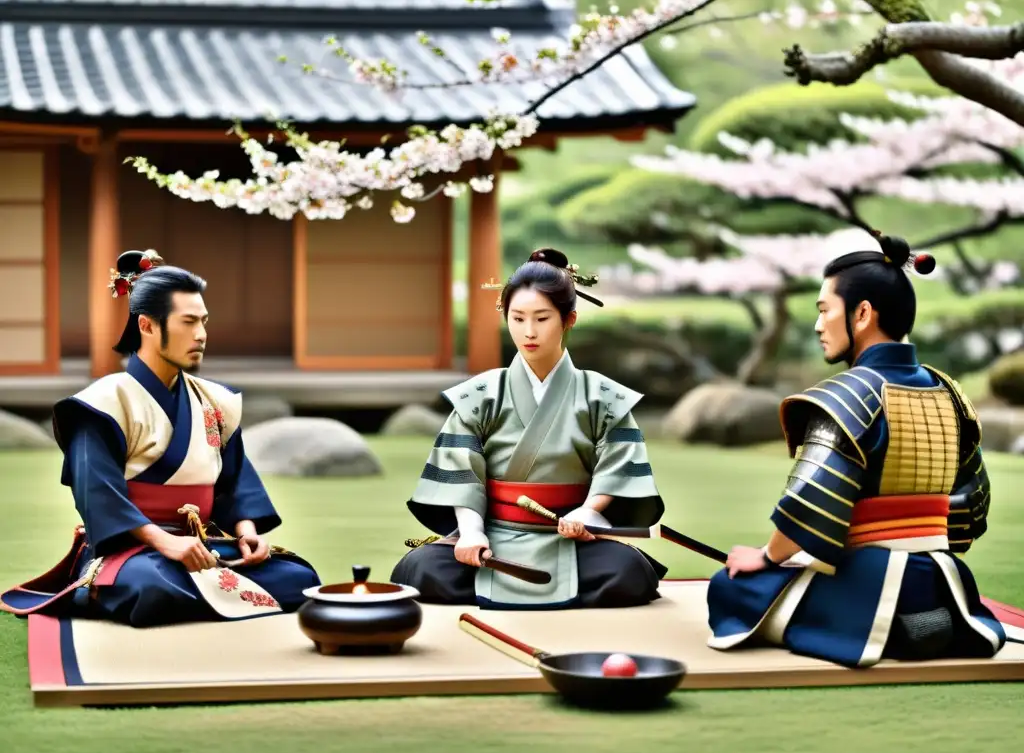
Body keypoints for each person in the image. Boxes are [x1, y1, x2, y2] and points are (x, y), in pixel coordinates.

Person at [705, 233, 1005, 668]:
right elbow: (972, 506)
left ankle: (886, 628)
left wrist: (767, 555)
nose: (818, 324)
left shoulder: (848, 396)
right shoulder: (950, 393)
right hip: (945, 578)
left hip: (872, 580)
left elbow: (810, 505)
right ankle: (928, 621)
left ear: (862, 314)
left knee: (729, 586)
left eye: (825, 310)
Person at [0, 250, 320, 627]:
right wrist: (165, 542)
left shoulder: (213, 401)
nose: (201, 334)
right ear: (147, 326)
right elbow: (98, 493)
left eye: (203, 321)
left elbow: (236, 481)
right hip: (136, 550)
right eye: (187, 322)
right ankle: (154, 591)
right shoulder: (102, 403)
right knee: (153, 587)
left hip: (206, 546)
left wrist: (247, 533)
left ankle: (207, 593)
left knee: (301, 579)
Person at [390, 248, 668, 610]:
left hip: (569, 535)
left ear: (568, 319)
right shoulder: (482, 394)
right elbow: (460, 472)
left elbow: (619, 466)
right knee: (420, 568)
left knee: (627, 571)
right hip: (492, 536)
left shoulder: (602, 397)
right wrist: (471, 533)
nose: (529, 332)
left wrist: (589, 513)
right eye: (517, 319)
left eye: (542, 318)